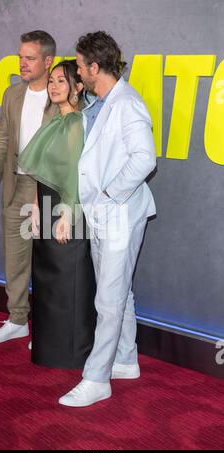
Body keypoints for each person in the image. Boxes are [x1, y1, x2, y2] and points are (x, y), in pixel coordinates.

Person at [59, 31, 157, 407]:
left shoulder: (127, 104)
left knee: (108, 300)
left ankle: (97, 378)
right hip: (102, 215)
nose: (77, 71)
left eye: (80, 65)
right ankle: (126, 359)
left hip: (118, 212)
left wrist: (109, 196)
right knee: (119, 293)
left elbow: (145, 159)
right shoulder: (97, 103)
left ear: (95, 67)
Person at [0, 31, 58, 343]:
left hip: (48, 189)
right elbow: (2, 142)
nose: (22, 63)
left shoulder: (62, 95)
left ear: (47, 61)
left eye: (30, 58)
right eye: (20, 57)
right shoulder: (12, 95)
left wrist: (46, 194)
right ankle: (17, 319)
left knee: (49, 261)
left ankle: (50, 330)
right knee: (15, 258)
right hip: (15, 184)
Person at [18, 60, 97, 369]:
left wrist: (67, 215)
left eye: (61, 81)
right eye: (51, 81)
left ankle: (71, 353)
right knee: (47, 279)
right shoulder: (53, 122)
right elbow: (43, 172)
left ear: (78, 87)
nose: (53, 86)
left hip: (69, 210)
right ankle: (49, 345)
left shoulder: (78, 123)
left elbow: (75, 176)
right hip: (48, 206)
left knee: (69, 282)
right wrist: (37, 207)